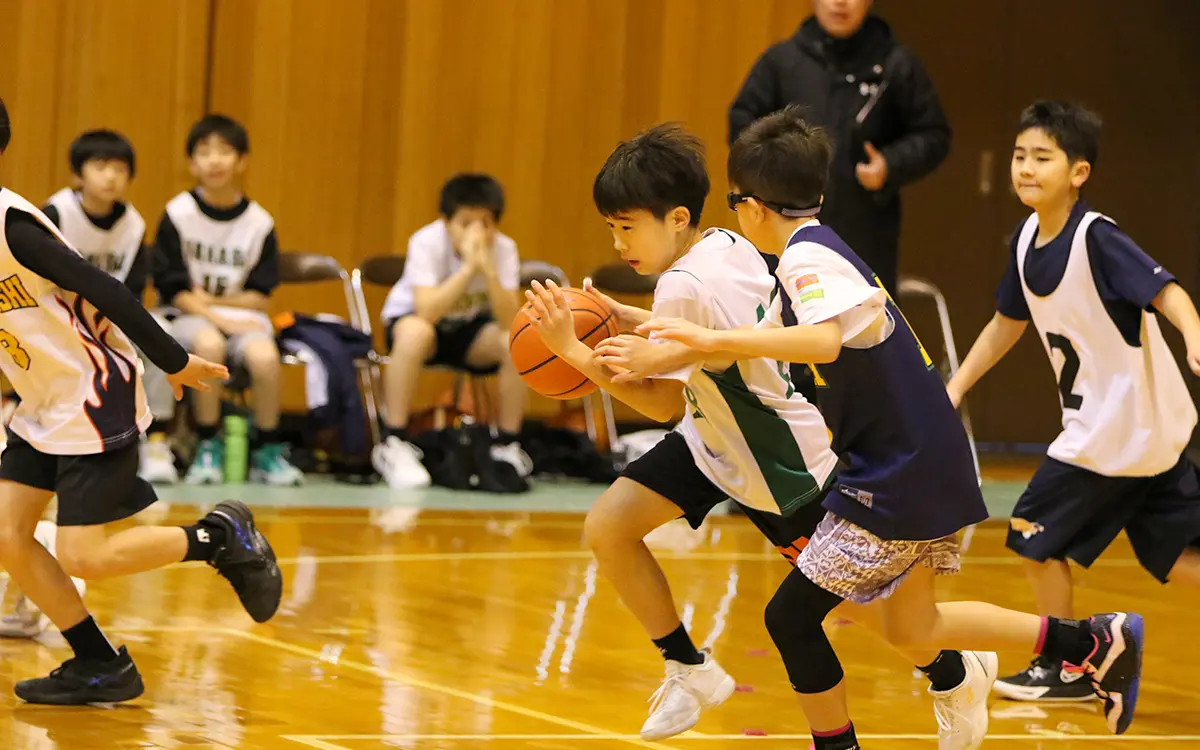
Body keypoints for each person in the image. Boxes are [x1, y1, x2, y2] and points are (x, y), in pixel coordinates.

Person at [635, 105, 1144, 745]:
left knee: (791, 617)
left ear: (754, 206)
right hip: (920, 459)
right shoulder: (816, 250)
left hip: (898, 471)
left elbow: (819, 343)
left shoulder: (805, 261)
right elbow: (756, 343)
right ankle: (1094, 640)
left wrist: (696, 336)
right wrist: (639, 330)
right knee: (915, 629)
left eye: (735, 202)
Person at [526, 123, 996, 749]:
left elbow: (662, 400)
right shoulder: (723, 242)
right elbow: (692, 339)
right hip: (713, 438)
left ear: (676, 218)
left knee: (858, 609)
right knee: (610, 526)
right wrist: (621, 317)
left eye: (627, 227)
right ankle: (688, 667)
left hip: (777, 463)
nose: (618, 242)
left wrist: (573, 354)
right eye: (611, 228)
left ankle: (955, 668)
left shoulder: (681, 285)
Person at [0, 95, 282, 705]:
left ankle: (220, 537)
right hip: (43, 399)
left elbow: (104, 289)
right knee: (7, 534)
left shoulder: (13, 225)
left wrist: (173, 360)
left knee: (85, 555)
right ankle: (100, 664)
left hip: (93, 391)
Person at [946, 100, 1200, 702]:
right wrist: (956, 386)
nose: (1026, 168)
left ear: (1079, 173)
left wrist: (1194, 334)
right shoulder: (1026, 239)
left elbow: (1167, 292)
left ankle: (1069, 667)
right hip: (1140, 434)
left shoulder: (1097, 238)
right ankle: (1074, 664)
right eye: (1018, 156)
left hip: (1114, 433)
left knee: (1033, 537)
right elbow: (1006, 324)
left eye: (1042, 158)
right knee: (1177, 556)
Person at [728, 0, 950, 298]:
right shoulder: (781, 61)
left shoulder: (896, 63)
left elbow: (934, 133)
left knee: (864, 331)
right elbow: (742, 125)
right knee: (782, 328)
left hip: (865, 231)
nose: (841, 2)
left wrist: (891, 164)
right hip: (783, 226)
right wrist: (775, 173)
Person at [153, 114, 303, 486]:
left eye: (224, 151)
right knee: (209, 344)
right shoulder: (177, 214)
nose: (215, 160)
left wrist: (224, 303)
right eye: (204, 152)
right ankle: (207, 445)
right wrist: (216, 316)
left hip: (238, 318)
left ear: (241, 161)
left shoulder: (259, 223)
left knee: (265, 357)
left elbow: (259, 296)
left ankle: (268, 450)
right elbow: (175, 291)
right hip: (188, 317)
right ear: (191, 163)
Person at [373, 174, 531, 491]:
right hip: (417, 324)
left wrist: (487, 270)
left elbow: (508, 319)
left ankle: (507, 445)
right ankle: (394, 441)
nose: (476, 232)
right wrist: (467, 269)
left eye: (485, 223)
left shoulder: (503, 250)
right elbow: (427, 311)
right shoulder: (426, 241)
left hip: (469, 331)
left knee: (517, 341)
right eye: (466, 222)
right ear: (446, 222)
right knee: (416, 332)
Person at [41, 129, 179, 484]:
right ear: (78, 174)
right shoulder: (55, 213)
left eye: (119, 168)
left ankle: (157, 440)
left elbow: (132, 289)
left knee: (160, 334)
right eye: (100, 166)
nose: (111, 176)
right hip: (57, 316)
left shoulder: (133, 223)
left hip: (107, 316)